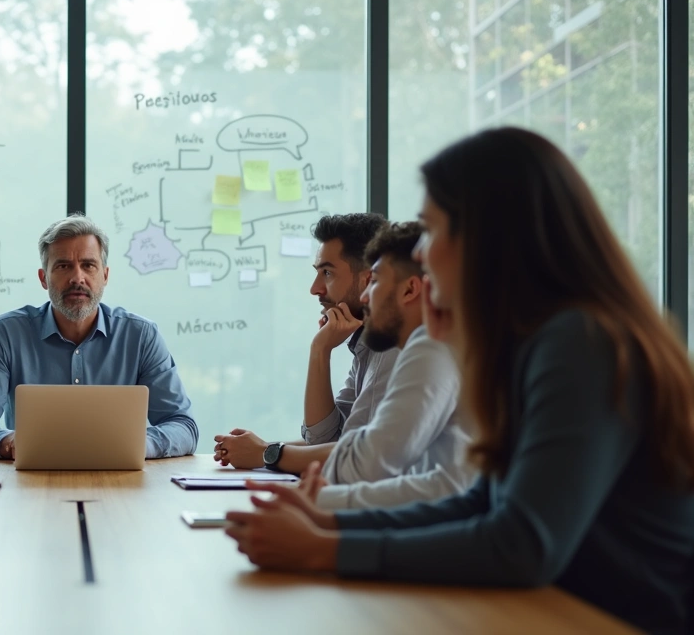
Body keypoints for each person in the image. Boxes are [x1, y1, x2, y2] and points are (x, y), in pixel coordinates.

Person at [224, 128, 694, 634]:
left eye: (431, 229)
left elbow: (522, 543)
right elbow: (482, 502)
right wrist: (329, 522)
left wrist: (328, 548)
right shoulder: (538, 341)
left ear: (488, 237)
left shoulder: (581, 343)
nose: (420, 254)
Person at [0, 214, 198, 459]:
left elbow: (183, 426)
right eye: (63, 266)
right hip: (31, 484)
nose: (77, 278)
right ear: (43, 278)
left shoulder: (141, 336)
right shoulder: (5, 333)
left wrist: (137, 445)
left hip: (122, 485)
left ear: (105, 275)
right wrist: (8, 440)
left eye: (88, 265)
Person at [310, 222, 474, 509]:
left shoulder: (429, 346)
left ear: (410, 289)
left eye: (373, 281)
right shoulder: (409, 346)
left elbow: (361, 470)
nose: (364, 296)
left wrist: (317, 498)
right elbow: (345, 445)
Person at [213, 213, 393, 469]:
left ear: (367, 280)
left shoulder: (395, 347)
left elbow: (363, 457)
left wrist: (266, 454)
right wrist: (320, 350)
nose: (315, 288)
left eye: (327, 273)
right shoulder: (368, 346)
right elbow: (325, 439)